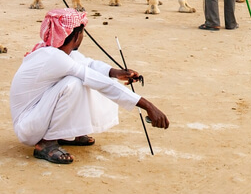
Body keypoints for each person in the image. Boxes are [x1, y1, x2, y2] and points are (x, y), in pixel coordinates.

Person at [10, 9, 169, 165]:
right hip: (29, 127)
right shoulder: (54, 57)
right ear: (77, 35)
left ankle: (66, 134)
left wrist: (115, 73)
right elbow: (96, 80)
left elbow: (89, 64)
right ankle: (45, 143)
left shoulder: (58, 51)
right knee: (74, 84)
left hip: (35, 118)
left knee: (87, 79)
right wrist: (148, 106)